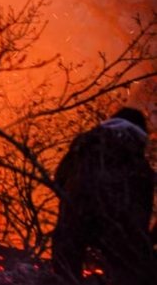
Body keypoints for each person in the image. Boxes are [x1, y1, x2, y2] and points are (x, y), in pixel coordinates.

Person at [52, 107, 156, 285]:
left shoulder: (84, 144)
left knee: (65, 267)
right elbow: (142, 209)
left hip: (75, 217)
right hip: (119, 226)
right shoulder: (140, 166)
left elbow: (59, 179)